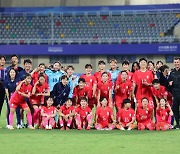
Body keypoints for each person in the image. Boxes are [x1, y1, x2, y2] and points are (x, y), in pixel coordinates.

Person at [168, 57, 180, 129]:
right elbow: (167, 84)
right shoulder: (171, 73)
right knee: (175, 109)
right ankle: (177, 124)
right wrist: (170, 84)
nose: (176, 64)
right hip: (175, 93)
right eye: (175, 62)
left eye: (177, 62)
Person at [0, 56, 6, 128]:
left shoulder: (6, 70)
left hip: (3, 89)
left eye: (3, 60)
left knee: (0, 106)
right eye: (1, 60)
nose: (2, 61)